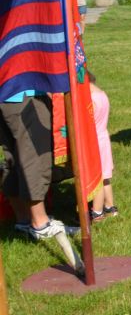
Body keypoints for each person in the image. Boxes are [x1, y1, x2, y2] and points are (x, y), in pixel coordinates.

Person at [2, 91, 66, 239]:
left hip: (6, 91)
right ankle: (40, 223)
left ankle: (24, 219)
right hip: (25, 92)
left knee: (14, 157)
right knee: (34, 157)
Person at [87, 72, 119, 221]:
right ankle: (110, 207)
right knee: (105, 177)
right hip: (103, 138)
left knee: (97, 179)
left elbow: (89, 121)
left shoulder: (91, 99)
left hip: (95, 142)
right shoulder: (102, 94)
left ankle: (97, 212)